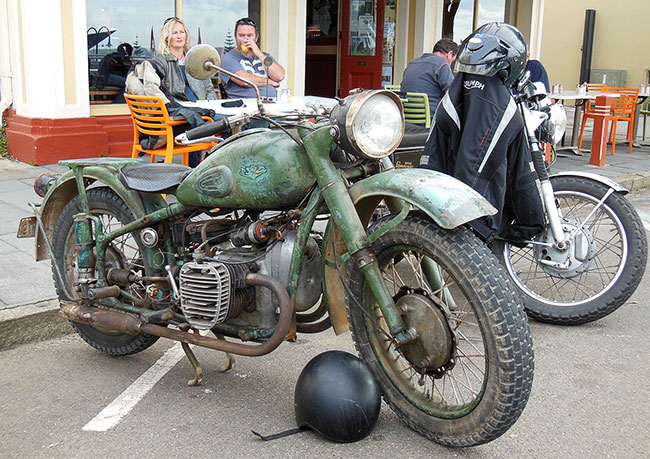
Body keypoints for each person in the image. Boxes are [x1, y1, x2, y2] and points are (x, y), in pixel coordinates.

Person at [419, 23, 544, 244]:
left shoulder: (458, 90)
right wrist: (527, 225)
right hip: (472, 226)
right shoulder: (498, 103)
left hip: (435, 206)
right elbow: (497, 166)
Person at [150, 17, 218, 102]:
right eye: (174, 33)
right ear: (167, 37)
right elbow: (159, 93)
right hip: (178, 111)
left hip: (204, 110)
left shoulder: (196, 59)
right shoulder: (160, 62)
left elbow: (210, 90)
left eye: (182, 32)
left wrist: (207, 105)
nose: (179, 36)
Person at [220, 17, 285, 99]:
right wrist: (270, 82)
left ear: (256, 38)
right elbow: (244, 80)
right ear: (235, 37)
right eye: (241, 35)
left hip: (271, 104)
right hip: (244, 106)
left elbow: (279, 76)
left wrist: (259, 53)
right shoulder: (229, 58)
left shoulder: (265, 56)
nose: (246, 39)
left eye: (250, 35)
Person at [400, 38, 458, 110]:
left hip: (407, 116)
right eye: (452, 60)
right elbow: (452, 95)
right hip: (430, 116)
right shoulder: (442, 63)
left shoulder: (413, 63)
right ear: (450, 54)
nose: (450, 64)